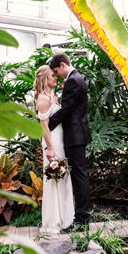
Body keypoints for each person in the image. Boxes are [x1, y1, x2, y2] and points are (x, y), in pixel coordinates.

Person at [46, 52, 91, 230]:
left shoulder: (73, 80)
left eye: (57, 71)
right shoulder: (76, 78)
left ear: (63, 65)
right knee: (79, 174)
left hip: (75, 134)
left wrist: (47, 125)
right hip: (76, 133)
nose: (57, 75)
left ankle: (81, 219)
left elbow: (66, 109)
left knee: (79, 176)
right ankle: (80, 215)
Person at [34, 65, 74, 234]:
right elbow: (43, 126)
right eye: (52, 75)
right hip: (52, 143)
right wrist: (50, 147)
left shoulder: (53, 96)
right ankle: (53, 221)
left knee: (63, 178)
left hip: (60, 140)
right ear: (44, 78)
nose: (55, 78)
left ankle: (65, 219)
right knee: (54, 180)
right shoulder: (43, 98)